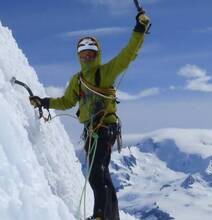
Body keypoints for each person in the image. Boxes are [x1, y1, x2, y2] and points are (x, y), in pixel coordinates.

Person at [29, 11, 150, 220]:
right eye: (83, 54)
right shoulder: (77, 80)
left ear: (97, 55)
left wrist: (139, 30)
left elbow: (128, 54)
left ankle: (100, 216)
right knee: (102, 174)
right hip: (92, 131)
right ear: (79, 56)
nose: (86, 57)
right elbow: (67, 101)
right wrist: (45, 102)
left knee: (96, 173)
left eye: (90, 53)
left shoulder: (105, 73)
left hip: (104, 129)